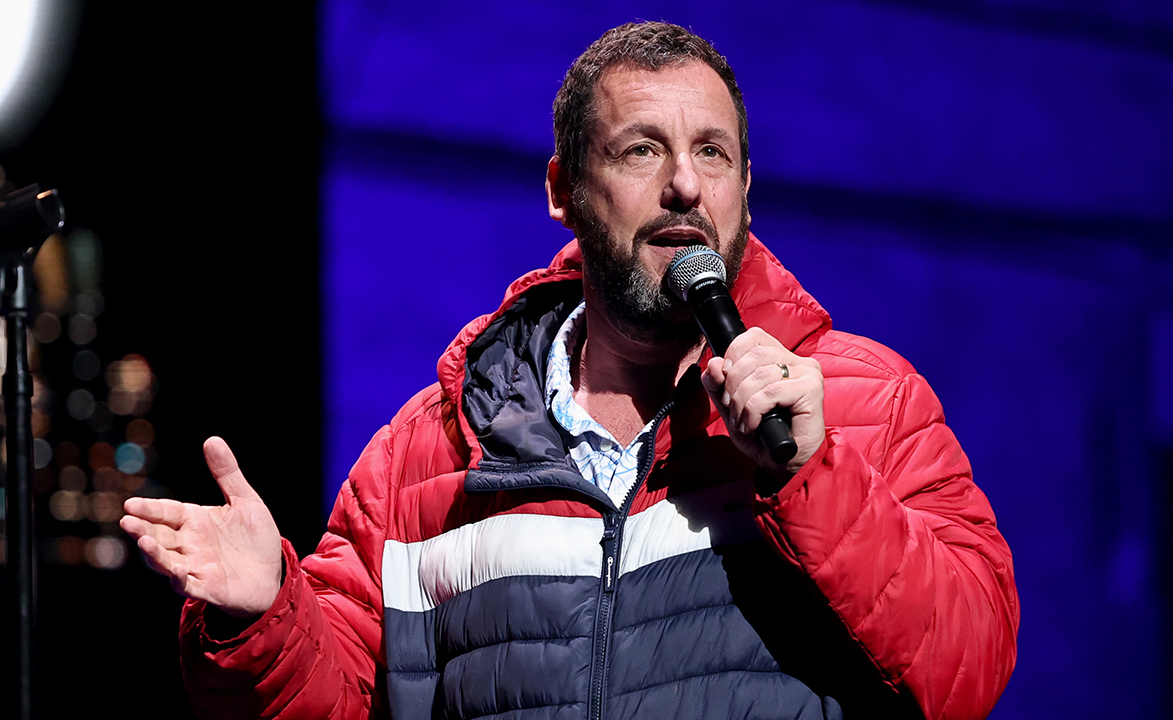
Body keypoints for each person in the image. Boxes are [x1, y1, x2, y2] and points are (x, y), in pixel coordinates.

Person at [121, 22, 1018, 720]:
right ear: (562, 189)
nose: (684, 186)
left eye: (713, 152)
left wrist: (812, 474)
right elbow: (344, 696)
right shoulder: (431, 448)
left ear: (747, 185)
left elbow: (970, 667)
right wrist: (268, 613)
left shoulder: (866, 403)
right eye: (641, 149)